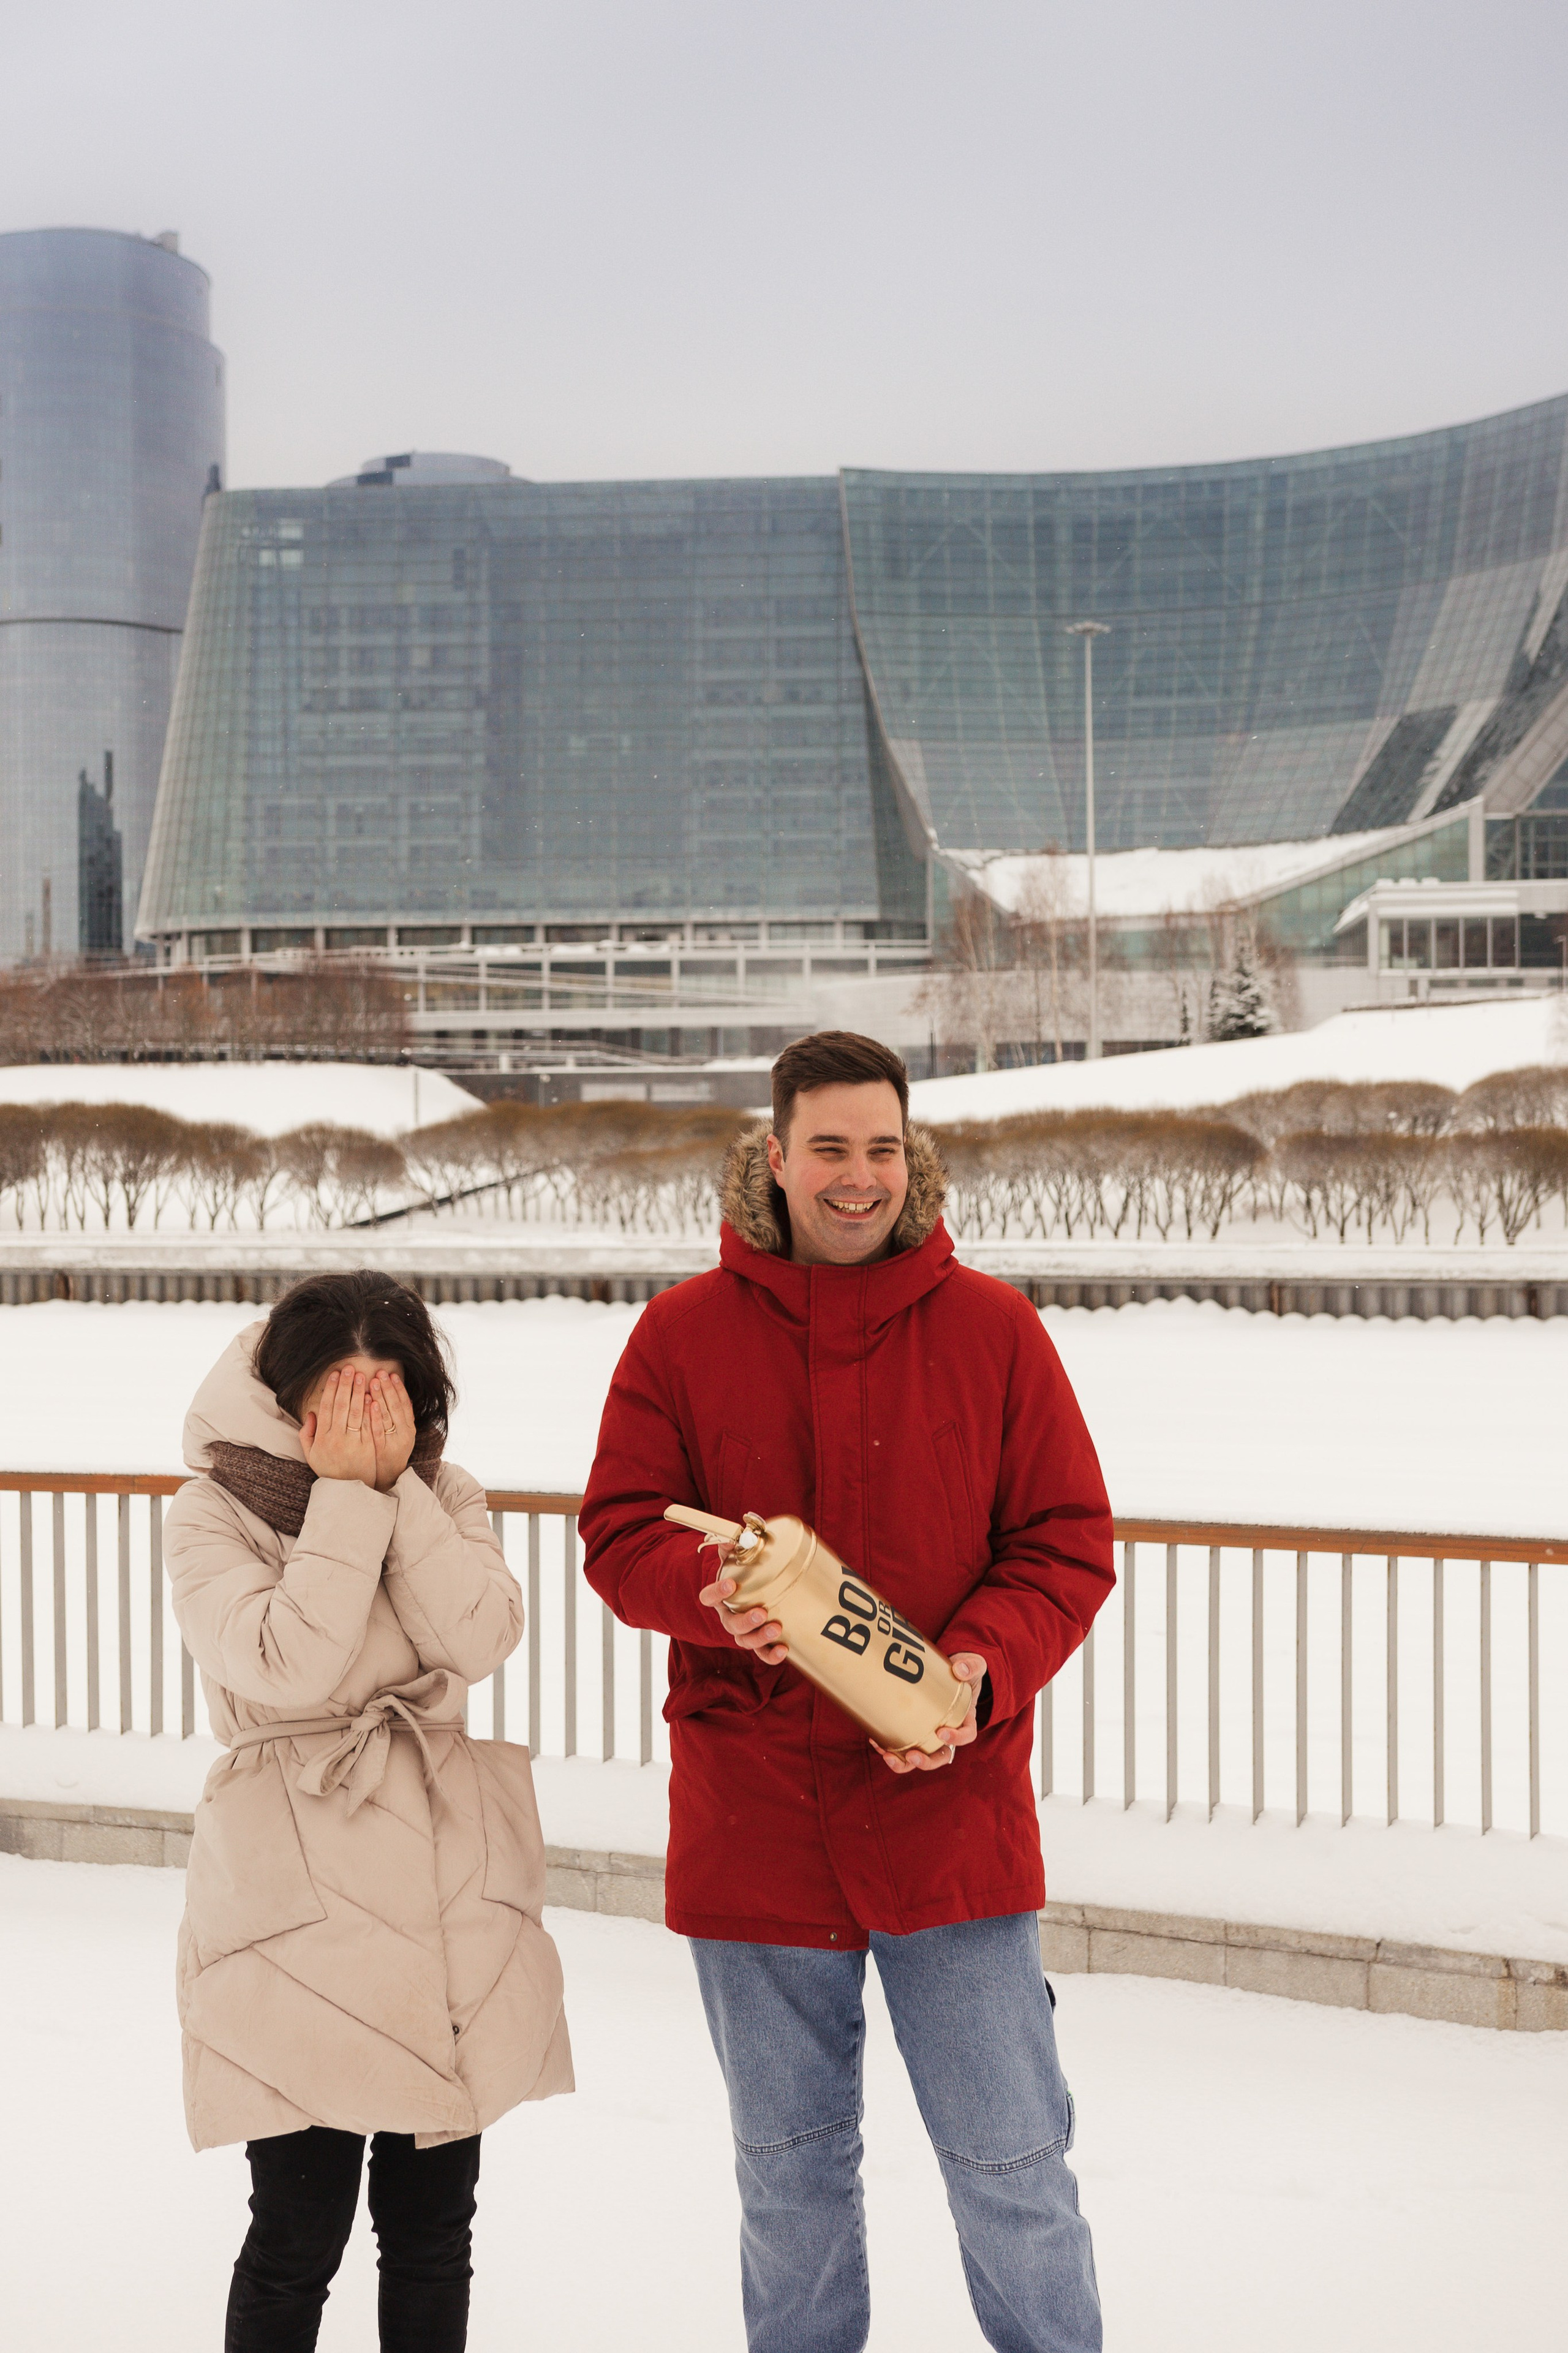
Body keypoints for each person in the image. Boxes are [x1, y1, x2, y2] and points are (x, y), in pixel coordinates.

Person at [581, 1029, 1115, 2353]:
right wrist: (705, 1597)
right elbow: (618, 1532)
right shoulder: (678, 1332)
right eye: (827, 1146)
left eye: (880, 1147)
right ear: (774, 1155)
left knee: (1011, 2166)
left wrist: (981, 1670)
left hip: (951, 1821)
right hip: (755, 1822)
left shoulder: (993, 1328)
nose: (856, 1175)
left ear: (909, 1154)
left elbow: (1063, 1541)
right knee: (790, 2176)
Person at [167, 1270, 572, 2353]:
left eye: (385, 1393)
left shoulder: (453, 1491)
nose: (361, 1416)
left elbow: (481, 1636)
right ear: (283, 1397)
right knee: (296, 2233)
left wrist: (400, 1498)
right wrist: (348, 1496)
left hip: (443, 1892)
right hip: (293, 1901)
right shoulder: (214, 1509)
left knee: (435, 2230)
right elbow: (283, 1660)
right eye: (336, 1394)